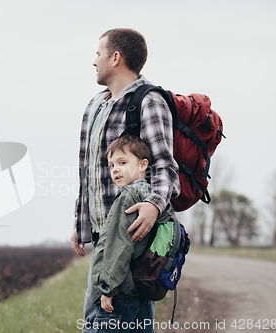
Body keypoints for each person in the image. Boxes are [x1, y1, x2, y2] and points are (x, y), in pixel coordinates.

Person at [70, 28, 180, 332]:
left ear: (115, 57)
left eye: (98, 53)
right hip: (104, 246)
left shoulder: (148, 101)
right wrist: (81, 224)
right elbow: (88, 171)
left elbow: (165, 168)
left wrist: (154, 206)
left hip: (131, 245)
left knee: (123, 321)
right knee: (95, 324)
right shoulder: (94, 106)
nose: (94, 62)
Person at [90, 135, 173, 333]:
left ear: (143, 165)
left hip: (120, 293)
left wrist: (107, 289)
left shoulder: (127, 197)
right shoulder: (153, 200)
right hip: (141, 291)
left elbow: (119, 246)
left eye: (122, 162)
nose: (115, 169)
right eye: (111, 165)